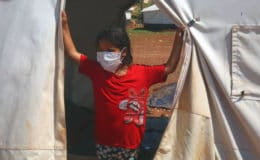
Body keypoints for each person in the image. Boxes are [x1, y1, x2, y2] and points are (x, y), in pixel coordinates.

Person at [61, 11, 184, 160]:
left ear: (123, 52)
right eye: (100, 50)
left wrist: (179, 38)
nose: (104, 55)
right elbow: (72, 53)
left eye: (109, 51)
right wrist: (64, 25)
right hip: (104, 143)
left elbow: (169, 67)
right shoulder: (96, 71)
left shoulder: (142, 73)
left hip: (131, 146)